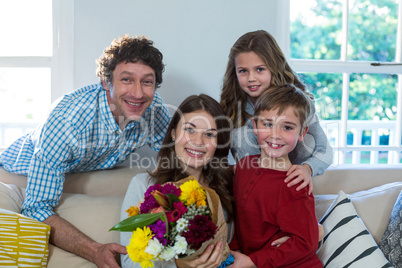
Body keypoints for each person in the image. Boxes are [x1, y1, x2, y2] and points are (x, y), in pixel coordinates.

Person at [0, 34, 171, 267]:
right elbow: (36, 207)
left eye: (147, 82)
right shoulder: (67, 119)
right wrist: (94, 251)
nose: (138, 93)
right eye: (127, 80)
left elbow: (176, 157)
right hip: (20, 174)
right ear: (105, 81)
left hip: (85, 169)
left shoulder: (154, 108)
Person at [120, 94, 234, 268]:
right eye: (189, 129)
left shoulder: (226, 188)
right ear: (173, 133)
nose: (198, 141)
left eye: (209, 134)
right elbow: (129, 262)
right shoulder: (144, 185)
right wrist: (179, 265)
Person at [220, 30, 333, 194]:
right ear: (235, 73)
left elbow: (325, 151)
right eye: (243, 71)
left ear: (274, 67)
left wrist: (307, 169)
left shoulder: (299, 103)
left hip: (289, 182)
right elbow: (221, 158)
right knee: (241, 134)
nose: (251, 78)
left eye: (259, 69)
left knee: (304, 135)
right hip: (251, 186)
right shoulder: (232, 108)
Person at [228, 84, 323, 268]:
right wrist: (235, 251)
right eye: (268, 124)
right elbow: (241, 220)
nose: (275, 135)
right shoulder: (243, 167)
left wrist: (252, 261)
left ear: (302, 133)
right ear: (255, 126)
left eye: (287, 127)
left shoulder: (295, 182)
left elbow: (306, 243)